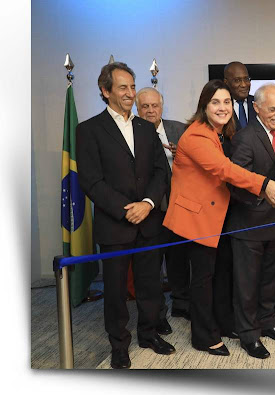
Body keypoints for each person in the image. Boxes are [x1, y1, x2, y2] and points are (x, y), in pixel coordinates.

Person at [162, 79, 275, 355]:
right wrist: (265, 184)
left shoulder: (221, 132)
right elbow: (225, 170)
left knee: (221, 276)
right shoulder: (196, 135)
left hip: (219, 217)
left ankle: (221, 324)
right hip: (197, 218)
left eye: (227, 102)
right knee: (203, 279)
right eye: (215, 102)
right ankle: (204, 336)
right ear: (204, 106)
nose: (222, 107)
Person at [76, 62, 175, 369]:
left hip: (149, 222)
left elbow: (161, 171)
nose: (131, 93)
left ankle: (149, 334)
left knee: (150, 285)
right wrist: (125, 209)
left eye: (133, 86)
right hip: (114, 225)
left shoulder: (147, 129)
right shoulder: (89, 130)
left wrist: (147, 203)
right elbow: (91, 181)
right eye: (123, 87)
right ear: (105, 91)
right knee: (116, 291)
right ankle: (119, 344)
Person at [226, 84, 275, 359]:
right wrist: (265, 193)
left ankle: (268, 323)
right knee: (247, 285)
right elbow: (235, 182)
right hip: (249, 225)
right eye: (273, 109)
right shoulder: (244, 138)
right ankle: (249, 335)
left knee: (269, 280)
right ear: (256, 108)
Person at [136, 87, 189, 329]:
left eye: (154, 106)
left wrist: (184, 156)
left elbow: (198, 165)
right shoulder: (132, 132)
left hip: (178, 207)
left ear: (161, 106)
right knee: (152, 266)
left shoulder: (179, 129)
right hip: (150, 210)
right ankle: (157, 315)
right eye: (144, 106)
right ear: (137, 109)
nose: (150, 110)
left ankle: (182, 304)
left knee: (179, 260)